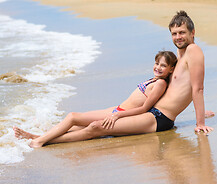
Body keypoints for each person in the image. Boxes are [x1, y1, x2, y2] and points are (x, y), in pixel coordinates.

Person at [14, 10, 213, 147]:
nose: (178, 37)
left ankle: (40, 141)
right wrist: (202, 110)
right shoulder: (182, 54)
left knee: (96, 127)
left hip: (160, 119)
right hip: (151, 113)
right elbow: (180, 88)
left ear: (192, 33)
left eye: (182, 33)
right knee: (81, 120)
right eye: (174, 33)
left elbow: (198, 88)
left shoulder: (194, 50)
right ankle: (41, 138)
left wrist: (200, 121)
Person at [14, 50, 177, 147]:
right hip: (117, 109)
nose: (158, 67)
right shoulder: (154, 79)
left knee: (74, 118)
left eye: (163, 65)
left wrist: (118, 115)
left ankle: (39, 141)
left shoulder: (160, 84)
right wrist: (116, 111)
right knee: (75, 124)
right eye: (157, 63)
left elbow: (144, 108)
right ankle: (38, 137)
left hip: (120, 114)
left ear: (171, 69)